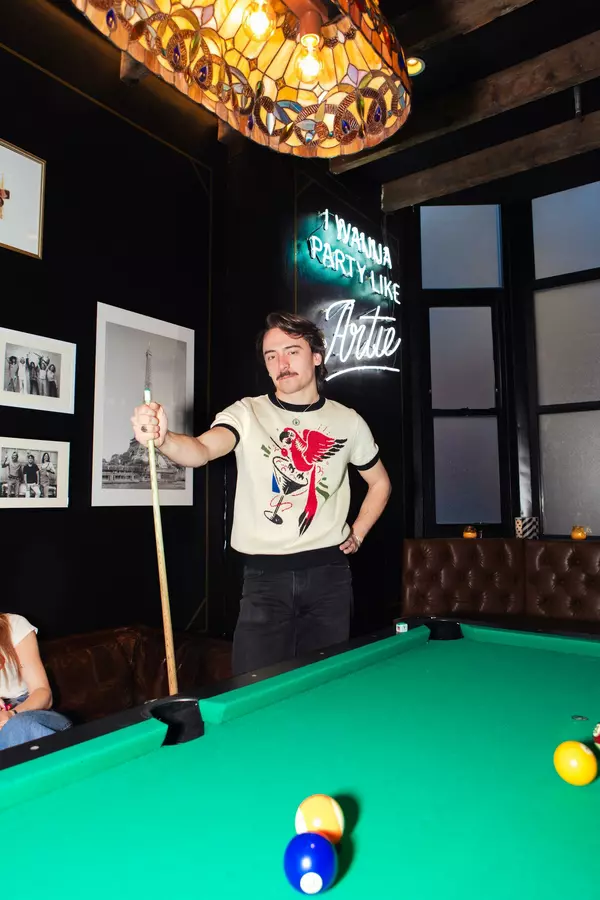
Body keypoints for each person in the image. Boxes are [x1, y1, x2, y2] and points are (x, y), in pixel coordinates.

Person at [132, 311, 392, 676]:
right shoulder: (247, 412)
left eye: (292, 351)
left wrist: (359, 532)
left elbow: (380, 483)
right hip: (265, 581)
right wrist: (164, 439)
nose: (281, 363)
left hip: (328, 578)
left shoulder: (348, 421)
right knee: (252, 686)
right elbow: (201, 450)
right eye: (272, 356)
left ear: (317, 356)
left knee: (325, 686)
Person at [0, 613, 71, 751]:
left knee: (18, 726)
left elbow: (42, 692)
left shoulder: (13, 625)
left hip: (29, 714)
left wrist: (11, 714)